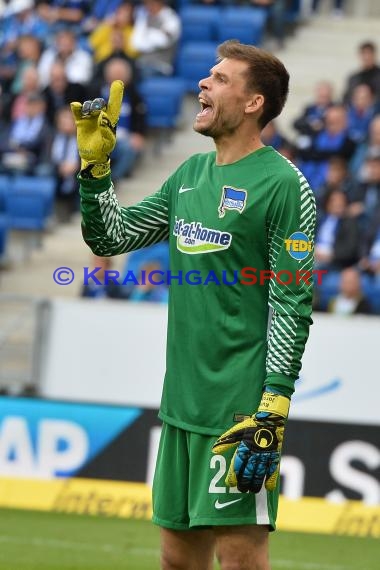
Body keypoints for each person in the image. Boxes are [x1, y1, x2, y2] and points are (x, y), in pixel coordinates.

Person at [71, 40, 316, 570]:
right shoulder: (190, 176)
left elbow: (291, 301)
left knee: (240, 559)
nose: (204, 83)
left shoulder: (284, 185)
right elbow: (111, 236)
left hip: (238, 409)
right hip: (181, 402)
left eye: (221, 78)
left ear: (254, 103)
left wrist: (273, 405)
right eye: (208, 74)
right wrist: (95, 170)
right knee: (177, 559)